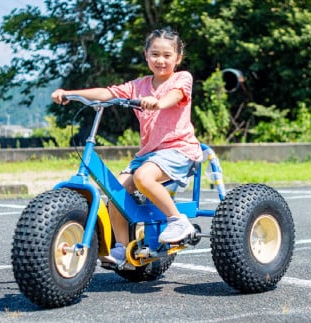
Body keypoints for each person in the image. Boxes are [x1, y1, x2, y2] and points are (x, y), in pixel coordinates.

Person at [51, 27, 202, 267]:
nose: (160, 60)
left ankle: (177, 221)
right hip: (149, 154)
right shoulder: (138, 85)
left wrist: (158, 102)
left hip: (179, 149)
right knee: (115, 193)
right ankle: (122, 247)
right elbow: (107, 93)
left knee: (143, 177)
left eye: (167, 55)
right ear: (146, 55)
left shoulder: (182, 78)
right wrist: (71, 93)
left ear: (178, 58)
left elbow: (175, 95)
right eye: (155, 55)